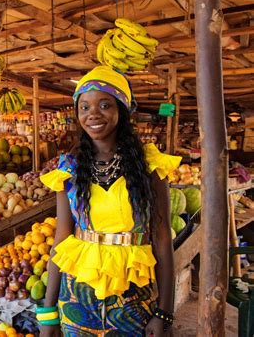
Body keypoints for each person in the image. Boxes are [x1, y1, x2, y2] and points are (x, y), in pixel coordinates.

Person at [37, 66, 181, 336]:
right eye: (84, 107)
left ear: (122, 111)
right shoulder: (69, 169)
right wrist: (48, 314)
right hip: (77, 297)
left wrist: (165, 312)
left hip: (133, 300)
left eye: (105, 104)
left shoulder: (149, 166)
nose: (93, 114)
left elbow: (161, 238)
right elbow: (61, 240)